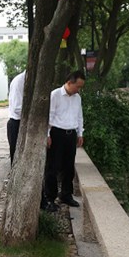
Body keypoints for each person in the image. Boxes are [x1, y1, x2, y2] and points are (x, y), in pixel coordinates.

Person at [43, 69, 85, 212]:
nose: (79, 90)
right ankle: (50, 197)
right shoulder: (55, 95)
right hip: (57, 134)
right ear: (69, 82)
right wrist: (47, 134)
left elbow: (79, 116)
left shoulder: (77, 98)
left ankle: (66, 194)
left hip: (71, 134)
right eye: (77, 86)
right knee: (53, 167)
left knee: (68, 167)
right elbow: (49, 116)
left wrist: (80, 133)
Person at [6, 70, 26, 162]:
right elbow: (17, 108)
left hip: (25, 122)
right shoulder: (19, 81)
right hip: (17, 123)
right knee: (16, 156)